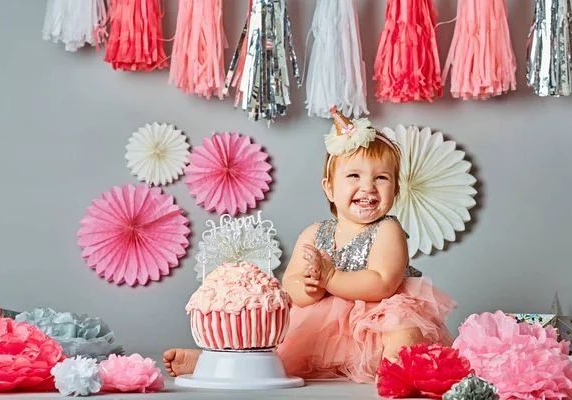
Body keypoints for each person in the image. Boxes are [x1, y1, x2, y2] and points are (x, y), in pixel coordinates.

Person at [163, 108, 456, 382]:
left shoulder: (387, 229)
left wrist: (331, 277)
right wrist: (308, 288)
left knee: (403, 332)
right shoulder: (315, 233)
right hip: (328, 325)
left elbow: (383, 284)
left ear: (396, 189)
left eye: (381, 178)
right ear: (329, 187)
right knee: (282, 346)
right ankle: (214, 363)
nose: (368, 187)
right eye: (354, 176)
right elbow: (288, 285)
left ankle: (401, 374)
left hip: (378, 317)